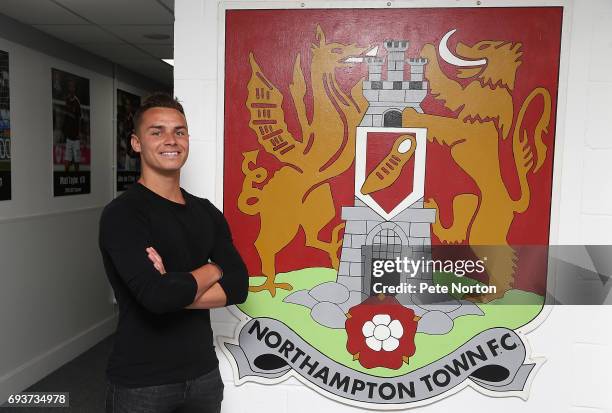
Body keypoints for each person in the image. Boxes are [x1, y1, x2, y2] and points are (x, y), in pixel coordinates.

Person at [99, 93, 248, 413]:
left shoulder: (206, 212)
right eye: (158, 131)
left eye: (179, 131)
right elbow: (156, 297)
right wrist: (213, 270)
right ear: (136, 143)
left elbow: (239, 285)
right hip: (142, 384)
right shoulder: (123, 214)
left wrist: (172, 286)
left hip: (203, 377)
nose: (171, 140)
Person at [63, 79, 82, 172]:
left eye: (73, 86)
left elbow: (79, 120)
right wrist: (65, 131)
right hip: (68, 137)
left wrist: (79, 133)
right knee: (67, 161)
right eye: (70, 86)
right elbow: (66, 118)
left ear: (74, 89)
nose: (71, 88)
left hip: (76, 138)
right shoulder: (66, 100)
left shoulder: (77, 102)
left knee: (77, 162)